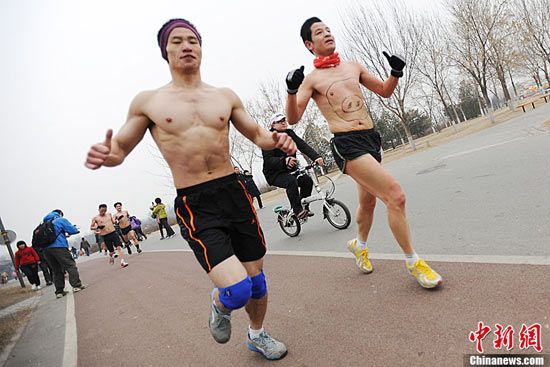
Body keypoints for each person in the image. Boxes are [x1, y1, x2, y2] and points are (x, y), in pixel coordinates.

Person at [84, 18, 297, 360]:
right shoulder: (149, 102)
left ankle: (257, 335)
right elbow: (120, 148)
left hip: (233, 192)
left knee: (256, 280)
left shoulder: (224, 96)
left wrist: (279, 140)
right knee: (238, 288)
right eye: (177, 41)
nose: (186, 46)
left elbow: (258, 135)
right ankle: (219, 302)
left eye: (193, 40)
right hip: (196, 203)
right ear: (164, 52)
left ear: (201, 48)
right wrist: (107, 156)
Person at [284, 17, 442, 288]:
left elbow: (384, 91)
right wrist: (291, 90)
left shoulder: (353, 66)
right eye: (320, 33)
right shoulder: (312, 80)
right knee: (395, 196)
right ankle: (414, 262)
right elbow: (293, 118)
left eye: (329, 30)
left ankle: (359, 245)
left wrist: (395, 72)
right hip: (347, 145)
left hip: (370, 139)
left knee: (367, 203)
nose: (327, 34)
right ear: (309, 44)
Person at [262, 112, 323, 219]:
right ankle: (298, 210)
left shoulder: (290, 134)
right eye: (279, 122)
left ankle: (304, 207)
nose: (283, 123)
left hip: (291, 170)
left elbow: (302, 146)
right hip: (274, 174)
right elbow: (268, 160)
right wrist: (284, 160)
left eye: (284, 120)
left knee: (307, 181)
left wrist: (316, 157)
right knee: (291, 181)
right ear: (273, 125)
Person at [41, 210, 87, 298]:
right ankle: (76, 286)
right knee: (70, 265)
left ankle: (59, 292)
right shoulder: (60, 220)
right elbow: (73, 230)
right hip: (59, 247)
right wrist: (75, 228)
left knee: (56, 269)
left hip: (46, 250)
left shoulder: (44, 224)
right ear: (60, 214)